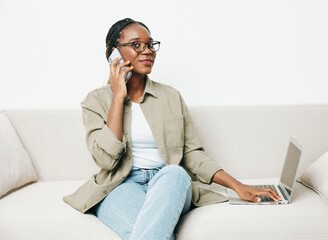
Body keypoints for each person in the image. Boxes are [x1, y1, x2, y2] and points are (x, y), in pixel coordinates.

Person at [63, 18, 281, 240]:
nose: (147, 51)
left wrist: (237, 185)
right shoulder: (95, 101)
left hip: (169, 182)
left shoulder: (171, 96)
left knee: (175, 173)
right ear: (114, 55)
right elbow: (106, 161)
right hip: (120, 184)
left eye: (150, 44)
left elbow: (192, 154)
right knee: (146, 231)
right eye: (136, 45)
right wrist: (118, 97)